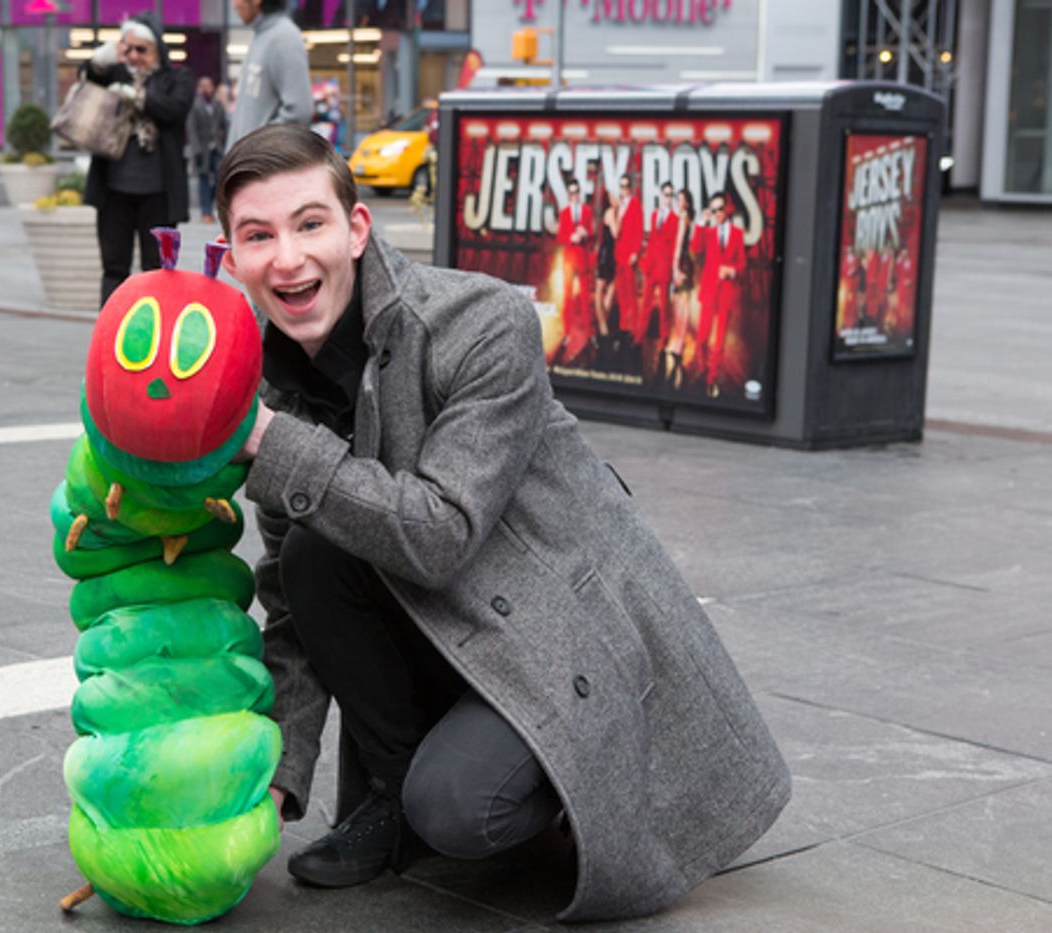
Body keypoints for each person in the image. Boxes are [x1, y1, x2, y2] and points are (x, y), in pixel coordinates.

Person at [216, 124, 790, 922]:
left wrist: (274, 443)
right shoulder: (272, 386)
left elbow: (440, 530)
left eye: (310, 223)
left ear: (356, 229)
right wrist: (279, 769)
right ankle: (397, 794)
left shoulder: (480, 321)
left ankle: (562, 783)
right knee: (311, 557)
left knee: (458, 808)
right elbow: (290, 601)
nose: (287, 258)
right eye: (258, 236)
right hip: (449, 619)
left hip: (560, 630)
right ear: (231, 257)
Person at [80, 15, 194, 304]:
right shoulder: (116, 74)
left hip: (159, 192)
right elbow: (89, 76)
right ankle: (110, 326)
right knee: (113, 267)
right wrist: (100, 59)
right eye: (127, 49)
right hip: (113, 189)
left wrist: (135, 96)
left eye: (141, 49)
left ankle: (155, 326)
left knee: (157, 271)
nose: (133, 56)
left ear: (157, 50)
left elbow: (174, 109)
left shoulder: (176, 78)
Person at [227, 0, 314, 147]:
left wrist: (256, 150)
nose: (234, 5)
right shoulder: (261, 36)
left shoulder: (285, 37)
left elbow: (299, 112)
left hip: (255, 159)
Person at [693, 193, 747, 398]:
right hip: (709, 291)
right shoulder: (707, 232)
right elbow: (695, 248)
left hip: (726, 293)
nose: (717, 213)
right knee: (702, 337)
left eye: (720, 209)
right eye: (713, 210)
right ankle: (702, 369)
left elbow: (742, 265)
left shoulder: (737, 234)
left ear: (727, 209)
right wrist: (701, 223)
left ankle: (712, 378)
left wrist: (731, 271)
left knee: (719, 342)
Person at [554, 178, 595, 364]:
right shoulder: (564, 213)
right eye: (571, 193)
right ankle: (567, 332)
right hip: (570, 260)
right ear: (568, 195)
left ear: (579, 193)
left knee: (586, 298)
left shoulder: (587, 211)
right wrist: (571, 237)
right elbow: (560, 236)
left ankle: (590, 335)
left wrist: (585, 234)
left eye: (576, 192)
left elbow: (592, 233)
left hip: (583, 260)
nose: (574, 195)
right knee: (568, 297)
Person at [661, 189, 697, 390]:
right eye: (677, 199)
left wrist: (674, 267)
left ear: (686, 202)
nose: (678, 202)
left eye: (680, 199)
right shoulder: (689, 216)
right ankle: (678, 346)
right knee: (682, 307)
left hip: (682, 264)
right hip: (687, 265)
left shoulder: (683, 217)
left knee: (679, 308)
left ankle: (676, 347)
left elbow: (678, 243)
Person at [186, 75, 228, 224]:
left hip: (217, 148)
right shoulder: (195, 106)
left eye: (209, 86)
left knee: (218, 180)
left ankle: (211, 207)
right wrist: (196, 149)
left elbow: (224, 125)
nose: (206, 89)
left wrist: (222, 140)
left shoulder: (217, 104)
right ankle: (206, 212)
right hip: (202, 150)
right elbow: (192, 129)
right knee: (203, 180)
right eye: (203, 86)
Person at [642, 182, 678, 347]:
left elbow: (673, 246)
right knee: (646, 303)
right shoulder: (654, 214)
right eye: (665, 194)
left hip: (664, 266)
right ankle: (640, 335)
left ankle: (664, 338)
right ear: (661, 195)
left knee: (664, 306)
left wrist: (671, 269)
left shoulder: (675, 219)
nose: (667, 198)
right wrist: (647, 263)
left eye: (670, 195)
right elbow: (651, 241)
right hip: (652, 265)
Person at [612, 172, 644, 344]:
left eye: (626, 186)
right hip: (619, 254)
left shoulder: (635, 204)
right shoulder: (619, 206)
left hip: (629, 255)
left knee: (631, 294)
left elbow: (639, 230)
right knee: (622, 293)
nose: (623, 190)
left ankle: (634, 331)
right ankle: (624, 327)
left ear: (630, 188)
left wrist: (635, 252)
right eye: (621, 186)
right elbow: (616, 231)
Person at [593, 186, 617, 337]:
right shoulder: (610, 212)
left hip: (611, 253)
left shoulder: (611, 212)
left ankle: (603, 326)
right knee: (600, 290)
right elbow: (616, 233)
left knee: (610, 290)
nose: (616, 199)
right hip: (607, 254)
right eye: (613, 197)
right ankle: (602, 327)